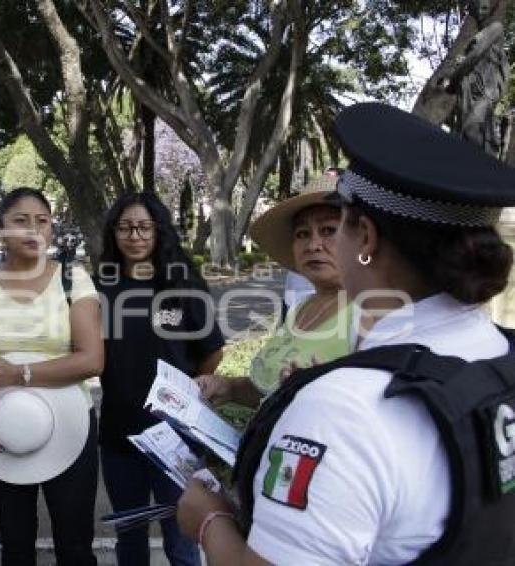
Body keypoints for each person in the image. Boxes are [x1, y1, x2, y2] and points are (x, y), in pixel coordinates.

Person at [177, 102, 515, 564]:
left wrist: (209, 522)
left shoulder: (342, 408)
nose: (320, 244)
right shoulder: (501, 358)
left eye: (338, 227)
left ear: (367, 239)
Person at [0, 187, 103, 566]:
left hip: (70, 423)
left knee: (75, 546)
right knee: (14, 543)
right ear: (0, 232)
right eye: (21, 221)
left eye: (43, 221)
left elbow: (92, 360)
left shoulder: (71, 280)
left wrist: (19, 373)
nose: (34, 230)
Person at [94, 192, 225, 566]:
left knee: (182, 541)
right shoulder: (100, 288)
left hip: (176, 437)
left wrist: (189, 390)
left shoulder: (182, 283)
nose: (134, 235)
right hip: (120, 436)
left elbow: (212, 352)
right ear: (113, 234)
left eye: (143, 227)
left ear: (158, 231)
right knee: (129, 539)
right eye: (125, 227)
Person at [197, 171, 352, 409]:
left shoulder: (373, 315)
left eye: (329, 230)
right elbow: (269, 390)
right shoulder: (300, 308)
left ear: (364, 238)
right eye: (302, 234)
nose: (313, 245)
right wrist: (229, 387)